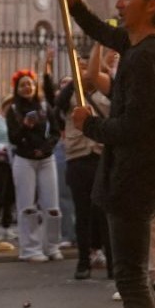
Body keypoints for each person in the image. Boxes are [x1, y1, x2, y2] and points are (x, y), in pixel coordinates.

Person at [55, 0, 155, 308]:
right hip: (127, 174)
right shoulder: (136, 47)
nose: (119, 3)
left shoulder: (150, 57)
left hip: (135, 177)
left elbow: (134, 129)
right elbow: (102, 30)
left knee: (130, 279)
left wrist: (89, 124)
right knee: (132, 278)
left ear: (153, 4)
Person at [57, 50, 112, 280]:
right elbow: (57, 106)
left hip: (100, 155)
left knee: (104, 212)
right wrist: (73, 81)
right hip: (78, 156)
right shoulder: (71, 93)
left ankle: (112, 262)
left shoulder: (104, 93)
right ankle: (83, 261)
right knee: (83, 212)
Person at [5, 66, 63, 262]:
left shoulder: (45, 107)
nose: (26, 87)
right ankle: (30, 248)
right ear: (16, 89)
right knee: (27, 205)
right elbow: (13, 138)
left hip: (46, 159)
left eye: (29, 84)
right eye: (22, 85)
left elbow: (56, 132)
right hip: (24, 160)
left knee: (52, 206)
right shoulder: (12, 110)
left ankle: (52, 246)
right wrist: (24, 126)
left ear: (35, 86)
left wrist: (46, 148)